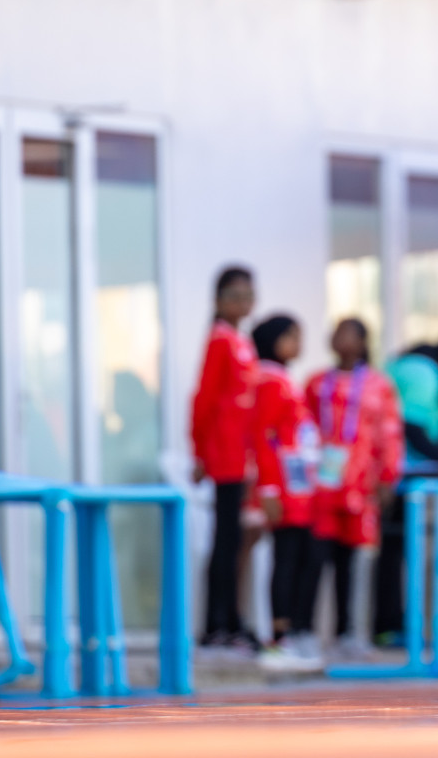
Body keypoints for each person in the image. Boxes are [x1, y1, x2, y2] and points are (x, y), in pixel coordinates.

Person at [302, 319, 405, 659]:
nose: (341, 339)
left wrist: (388, 477)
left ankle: (349, 630)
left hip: (361, 485)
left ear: (363, 342)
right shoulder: (316, 384)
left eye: (349, 333)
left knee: (354, 559)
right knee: (315, 556)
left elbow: (389, 433)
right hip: (321, 484)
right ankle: (305, 629)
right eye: (337, 333)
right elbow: (301, 429)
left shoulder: (378, 385)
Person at [191, 266, 260, 652]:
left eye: (247, 295)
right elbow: (203, 398)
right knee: (225, 540)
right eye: (232, 295)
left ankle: (233, 618)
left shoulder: (241, 341)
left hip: (243, 457)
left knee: (238, 541)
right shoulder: (219, 340)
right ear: (218, 301)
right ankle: (217, 623)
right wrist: (199, 451)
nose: (241, 302)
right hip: (224, 455)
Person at [251, 315, 324, 672]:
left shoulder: (282, 379)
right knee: (287, 557)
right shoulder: (267, 379)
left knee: (306, 556)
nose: (300, 344)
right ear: (275, 340)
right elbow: (263, 436)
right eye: (294, 337)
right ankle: (280, 635)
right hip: (283, 487)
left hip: (300, 486)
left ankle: (296, 629)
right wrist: (267, 489)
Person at [372, 345, 438, 647]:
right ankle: (394, 625)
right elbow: (412, 425)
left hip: (390, 473)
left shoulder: (401, 365)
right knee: (398, 551)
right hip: (404, 476)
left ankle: (391, 624)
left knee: (392, 551)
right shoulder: (425, 370)